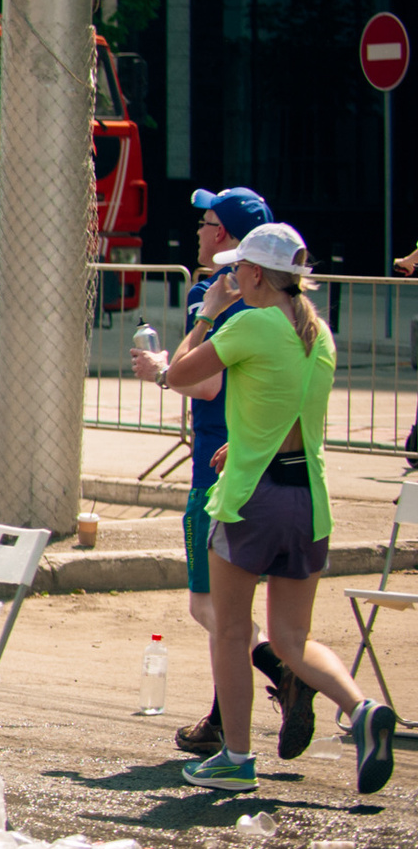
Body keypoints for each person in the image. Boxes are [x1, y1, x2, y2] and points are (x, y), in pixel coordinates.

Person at [167, 223, 396, 796]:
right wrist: (241, 445)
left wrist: (206, 314)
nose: (230, 275)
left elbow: (177, 374)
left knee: (230, 629)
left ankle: (236, 759)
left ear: (256, 274)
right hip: (307, 499)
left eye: (236, 268)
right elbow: (284, 408)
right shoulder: (318, 334)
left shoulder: (250, 322)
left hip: (252, 500)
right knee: (292, 637)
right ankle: (361, 707)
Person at [129, 185, 309, 759]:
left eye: (208, 223)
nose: (199, 232)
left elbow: (199, 382)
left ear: (228, 236)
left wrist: (162, 367)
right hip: (277, 470)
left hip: (220, 460)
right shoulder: (287, 311)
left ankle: (277, 678)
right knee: (235, 611)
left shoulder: (216, 295)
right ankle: (229, 713)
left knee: (212, 610)